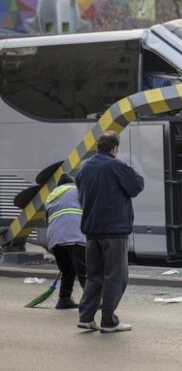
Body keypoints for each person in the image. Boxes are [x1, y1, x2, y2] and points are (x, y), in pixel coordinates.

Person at [76, 131, 144, 333]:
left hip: (91, 231)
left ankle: (86, 317)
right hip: (113, 230)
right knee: (116, 276)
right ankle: (108, 321)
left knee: (94, 276)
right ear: (115, 148)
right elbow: (137, 185)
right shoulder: (115, 165)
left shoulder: (84, 167)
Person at [44, 173, 86, 309]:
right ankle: (92, 301)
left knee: (67, 270)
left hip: (55, 239)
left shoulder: (50, 197)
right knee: (85, 270)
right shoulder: (77, 190)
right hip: (74, 235)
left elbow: (47, 219)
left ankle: (64, 299)